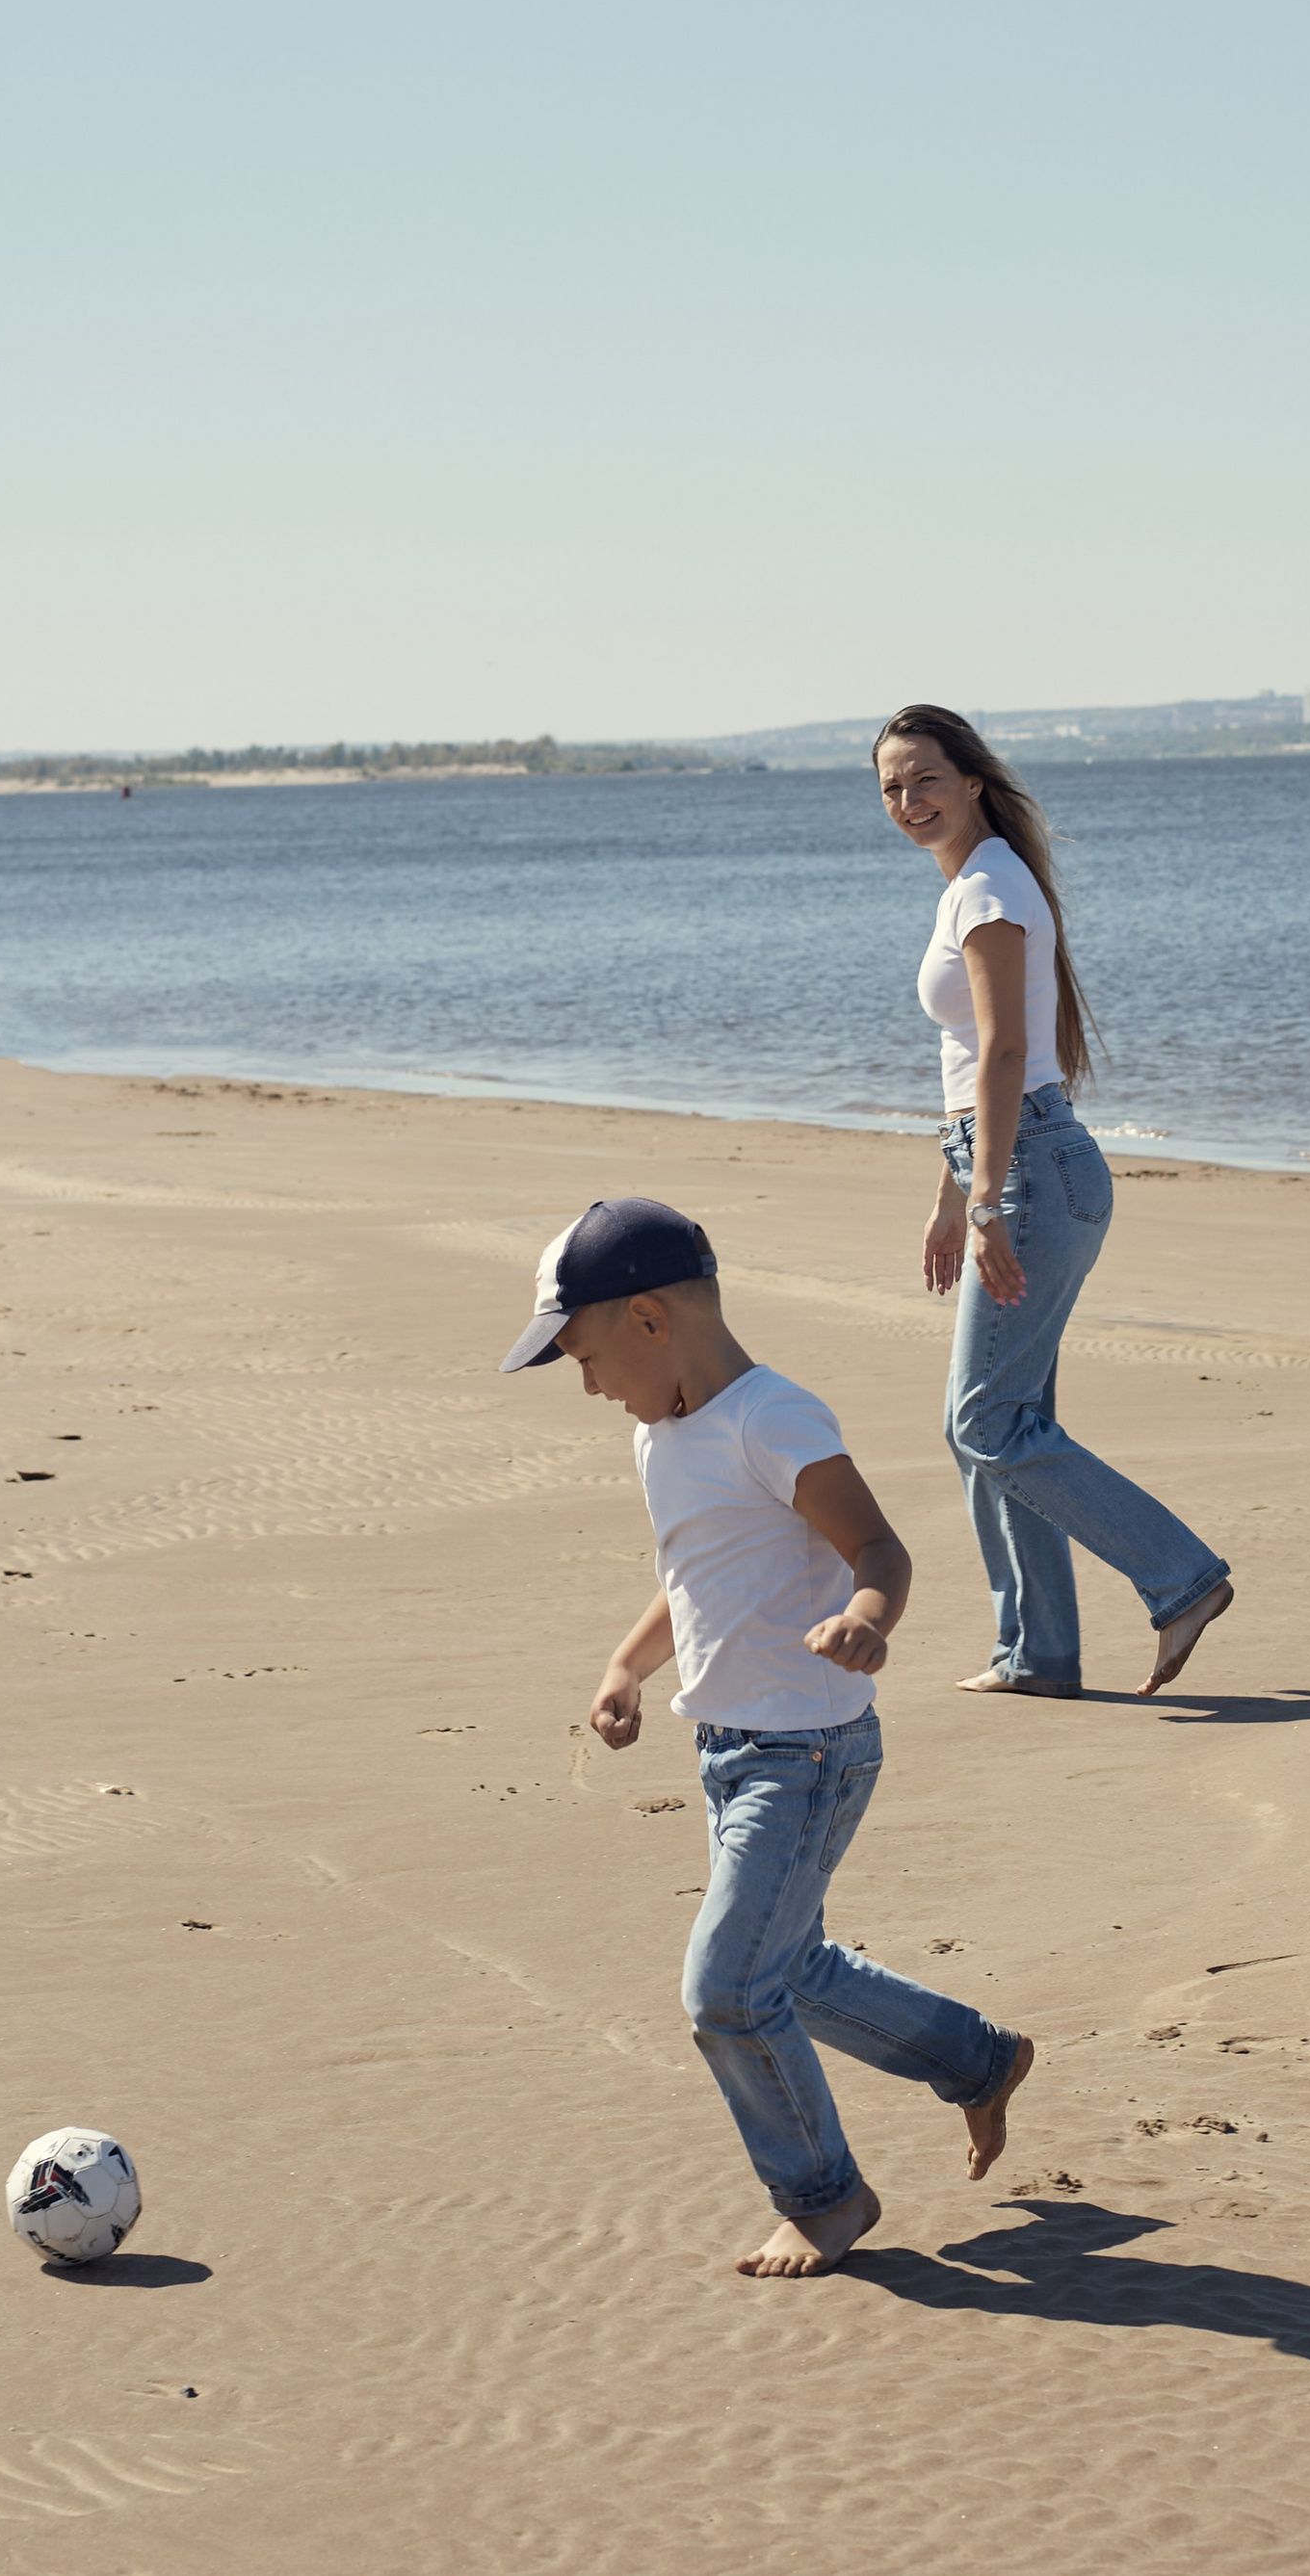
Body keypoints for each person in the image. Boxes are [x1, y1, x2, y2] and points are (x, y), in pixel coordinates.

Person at [502, 1194, 1034, 2279]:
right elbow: (693, 1576)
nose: (590, 1386)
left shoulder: (770, 1421)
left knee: (727, 1990)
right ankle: (977, 2060)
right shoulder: (664, 1439)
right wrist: (625, 1667)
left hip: (807, 1753)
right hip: (729, 1752)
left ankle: (824, 2197)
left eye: (585, 1356)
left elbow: (879, 1548)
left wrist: (865, 1621)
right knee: (788, 1967)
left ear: (649, 1320)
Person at [873, 702, 1235, 1699]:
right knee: (999, 1420)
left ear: (973, 782)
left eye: (925, 780)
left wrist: (986, 1199)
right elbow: (970, 1066)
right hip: (1012, 1160)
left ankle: (1181, 1578)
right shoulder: (975, 887)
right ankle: (1038, 1652)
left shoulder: (988, 889)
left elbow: (1003, 1054)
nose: (908, 801)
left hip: (1031, 1171)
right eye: (892, 787)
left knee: (985, 1422)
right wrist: (953, 1196)